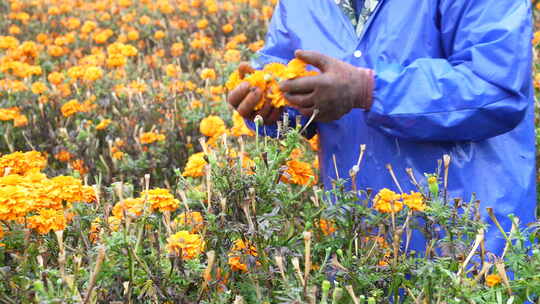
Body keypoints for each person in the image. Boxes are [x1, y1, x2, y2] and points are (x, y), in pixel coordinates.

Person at [227, 0, 536, 254]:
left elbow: (495, 88)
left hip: (471, 235)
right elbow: (284, 72)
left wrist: (368, 90)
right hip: (359, 242)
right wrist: (269, 104)